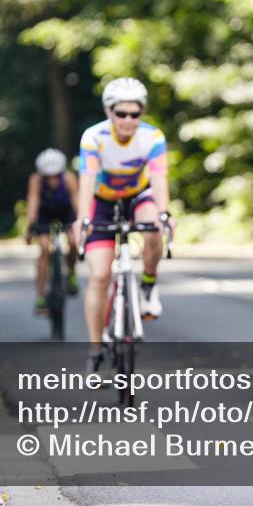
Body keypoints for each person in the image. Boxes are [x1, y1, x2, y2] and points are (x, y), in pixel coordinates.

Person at [71, 78, 173, 377]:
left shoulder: (152, 137)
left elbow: (159, 178)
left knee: (155, 225)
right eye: (121, 113)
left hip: (137, 196)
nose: (128, 120)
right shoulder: (94, 137)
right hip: (101, 201)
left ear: (142, 113)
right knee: (100, 275)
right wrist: (81, 219)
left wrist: (165, 214)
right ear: (109, 112)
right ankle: (94, 351)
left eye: (135, 113)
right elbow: (87, 179)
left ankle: (148, 284)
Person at [24, 148, 79, 315]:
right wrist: (30, 228)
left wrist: (79, 225)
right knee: (44, 248)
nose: (53, 180)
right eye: (48, 177)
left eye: (56, 176)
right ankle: (41, 297)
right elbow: (33, 203)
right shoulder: (35, 180)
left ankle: (71, 273)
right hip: (45, 213)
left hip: (65, 211)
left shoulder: (69, 178)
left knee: (73, 242)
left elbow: (77, 202)